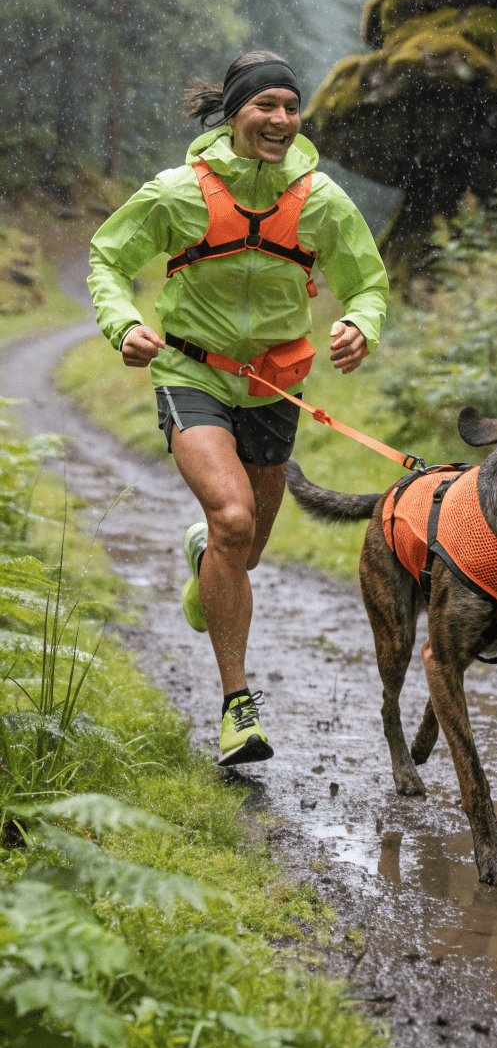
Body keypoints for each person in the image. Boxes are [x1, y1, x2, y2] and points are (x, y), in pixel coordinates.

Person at [88, 50, 388, 766]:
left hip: (275, 387)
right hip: (191, 372)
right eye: (266, 106)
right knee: (232, 518)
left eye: (291, 107)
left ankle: (206, 563)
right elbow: (106, 258)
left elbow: (368, 284)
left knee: (243, 549)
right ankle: (236, 709)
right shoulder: (175, 194)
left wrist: (361, 325)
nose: (281, 119)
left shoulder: (321, 201)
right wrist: (124, 325)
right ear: (234, 114)